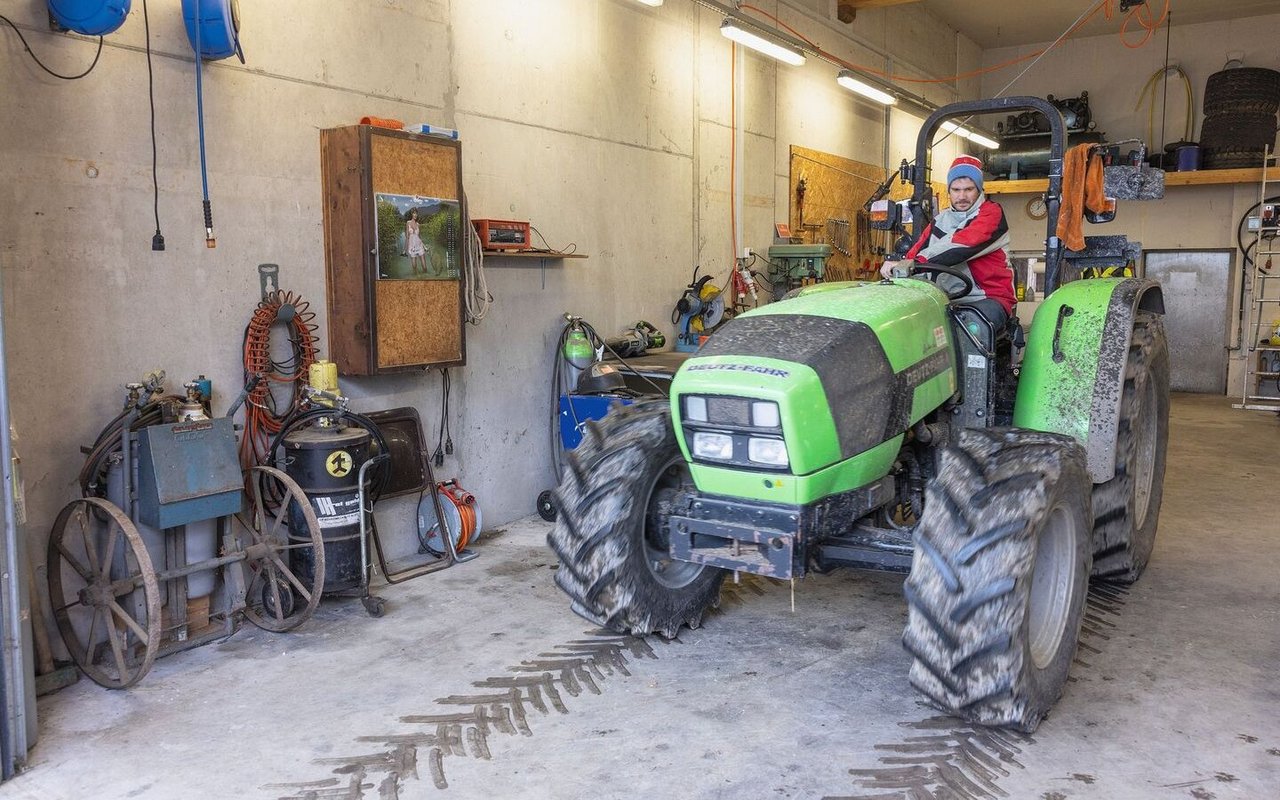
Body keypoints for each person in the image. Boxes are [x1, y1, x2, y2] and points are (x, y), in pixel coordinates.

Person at [880, 154, 1015, 328]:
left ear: (979, 190)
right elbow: (918, 249)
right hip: (946, 298)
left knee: (970, 331)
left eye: (969, 189)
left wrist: (914, 262)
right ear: (949, 191)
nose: (962, 196)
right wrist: (899, 265)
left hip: (986, 298)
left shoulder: (991, 214)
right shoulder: (941, 219)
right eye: (956, 190)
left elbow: (962, 244)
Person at [405, 208, 428, 275]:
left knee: (424, 267)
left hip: (420, 246)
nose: (415, 215)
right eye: (414, 213)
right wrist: (405, 249)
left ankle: (426, 277)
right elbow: (407, 236)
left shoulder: (418, 224)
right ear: (411, 214)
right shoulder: (408, 223)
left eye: (416, 213)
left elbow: (419, 237)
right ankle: (417, 277)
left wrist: (424, 246)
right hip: (412, 247)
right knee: (414, 267)